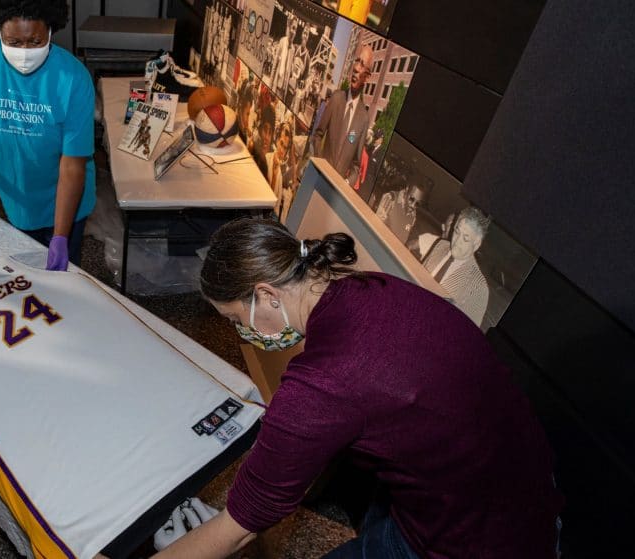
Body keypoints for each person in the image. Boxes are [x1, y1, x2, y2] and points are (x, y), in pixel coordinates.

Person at [149, 217, 562, 558]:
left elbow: (239, 530)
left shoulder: (321, 384)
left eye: (237, 318)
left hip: (475, 542)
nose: (242, 331)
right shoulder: (374, 288)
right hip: (524, 493)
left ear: (266, 295)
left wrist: (191, 545)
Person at [0, 0, 95, 271]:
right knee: (28, 272)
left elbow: (73, 164)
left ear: (50, 32)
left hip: (62, 200)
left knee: (64, 278)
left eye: (35, 41)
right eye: (14, 42)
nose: (24, 52)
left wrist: (61, 235)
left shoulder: (73, 78)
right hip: (14, 197)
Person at [312, 44, 374, 188]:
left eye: (362, 64)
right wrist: (320, 166)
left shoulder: (364, 119)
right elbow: (318, 135)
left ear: (367, 77)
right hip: (317, 180)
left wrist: (345, 185)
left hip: (336, 193)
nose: (356, 68)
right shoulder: (336, 98)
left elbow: (356, 166)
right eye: (357, 61)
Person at [422, 206, 493, 327]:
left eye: (465, 238)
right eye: (456, 231)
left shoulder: (479, 287)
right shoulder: (441, 245)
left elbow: (465, 336)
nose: (457, 241)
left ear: (476, 244)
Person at [374, 175, 432, 244]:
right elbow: (375, 229)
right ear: (407, 190)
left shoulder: (413, 216)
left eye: (417, 204)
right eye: (411, 199)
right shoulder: (391, 199)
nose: (413, 205)